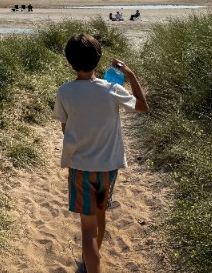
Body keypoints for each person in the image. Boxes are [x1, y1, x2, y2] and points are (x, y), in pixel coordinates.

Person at [53, 34, 148, 273]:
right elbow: (142, 105)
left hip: (80, 167)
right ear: (98, 60)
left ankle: (90, 263)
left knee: (87, 228)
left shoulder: (64, 92)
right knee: (100, 214)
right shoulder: (112, 90)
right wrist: (131, 75)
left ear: (70, 61)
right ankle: (92, 259)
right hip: (107, 167)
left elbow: (65, 128)